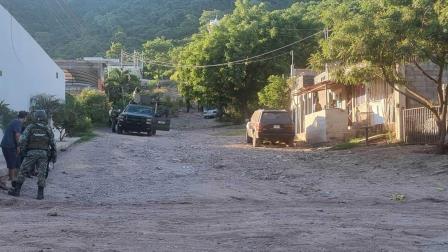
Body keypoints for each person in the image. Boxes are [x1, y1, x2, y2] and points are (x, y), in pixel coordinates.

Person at [8, 110, 56, 200]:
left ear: (35, 117)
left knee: (23, 170)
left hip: (31, 153)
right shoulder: (48, 128)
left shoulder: (30, 127)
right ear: (44, 117)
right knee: (42, 173)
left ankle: (17, 191)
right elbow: (53, 143)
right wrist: (54, 156)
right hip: (43, 154)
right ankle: (40, 194)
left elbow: (22, 140)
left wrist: (22, 150)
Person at [1, 111, 28, 184]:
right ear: (25, 117)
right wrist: (18, 146)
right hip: (9, 146)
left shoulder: (15, 121)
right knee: (12, 164)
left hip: (7, 145)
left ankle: (11, 180)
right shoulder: (18, 123)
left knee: (14, 163)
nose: (26, 119)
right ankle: (10, 181)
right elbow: (17, 135)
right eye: (26, 117)